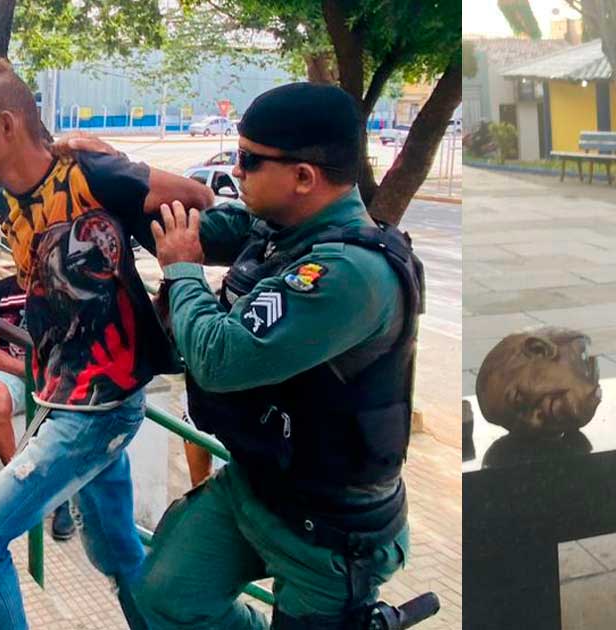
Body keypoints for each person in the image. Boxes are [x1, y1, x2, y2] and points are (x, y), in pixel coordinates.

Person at [131, 82, 423, 629]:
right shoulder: (284, 228)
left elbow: (219, 357)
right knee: (164, 595)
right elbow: (184, 227)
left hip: (331, 531)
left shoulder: (351, 274)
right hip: (260, 487)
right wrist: (114, 174)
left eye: (247, 159)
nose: (235, 171)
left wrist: (183, 272)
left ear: (303, 177)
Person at [0, 56, 211, 629]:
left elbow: (196, 197)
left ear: (7, 125)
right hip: (58, 398)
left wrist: (119, 160)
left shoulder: (94, 176)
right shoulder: (2, 200)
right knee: (117, 555)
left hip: (100, 409)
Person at [0, 274, 74, 541]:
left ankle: (60, 497)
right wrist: (29, 370)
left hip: (55, 375)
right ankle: (20, 481)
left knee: (71, 414)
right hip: (17, 373)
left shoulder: (61, 288)